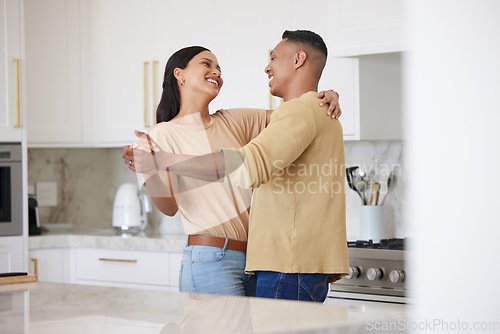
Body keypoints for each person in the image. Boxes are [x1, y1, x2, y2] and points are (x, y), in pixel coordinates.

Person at [127, 30, 348, 303]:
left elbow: (299, 112)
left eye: (219, 67)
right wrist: (150, 167)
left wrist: (327, 95)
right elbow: (168, 208)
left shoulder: (233, 120)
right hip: (211, 258)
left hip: (254, 258)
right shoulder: (159, 137)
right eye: (206, 64)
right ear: (179, 74)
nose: (216, 71)